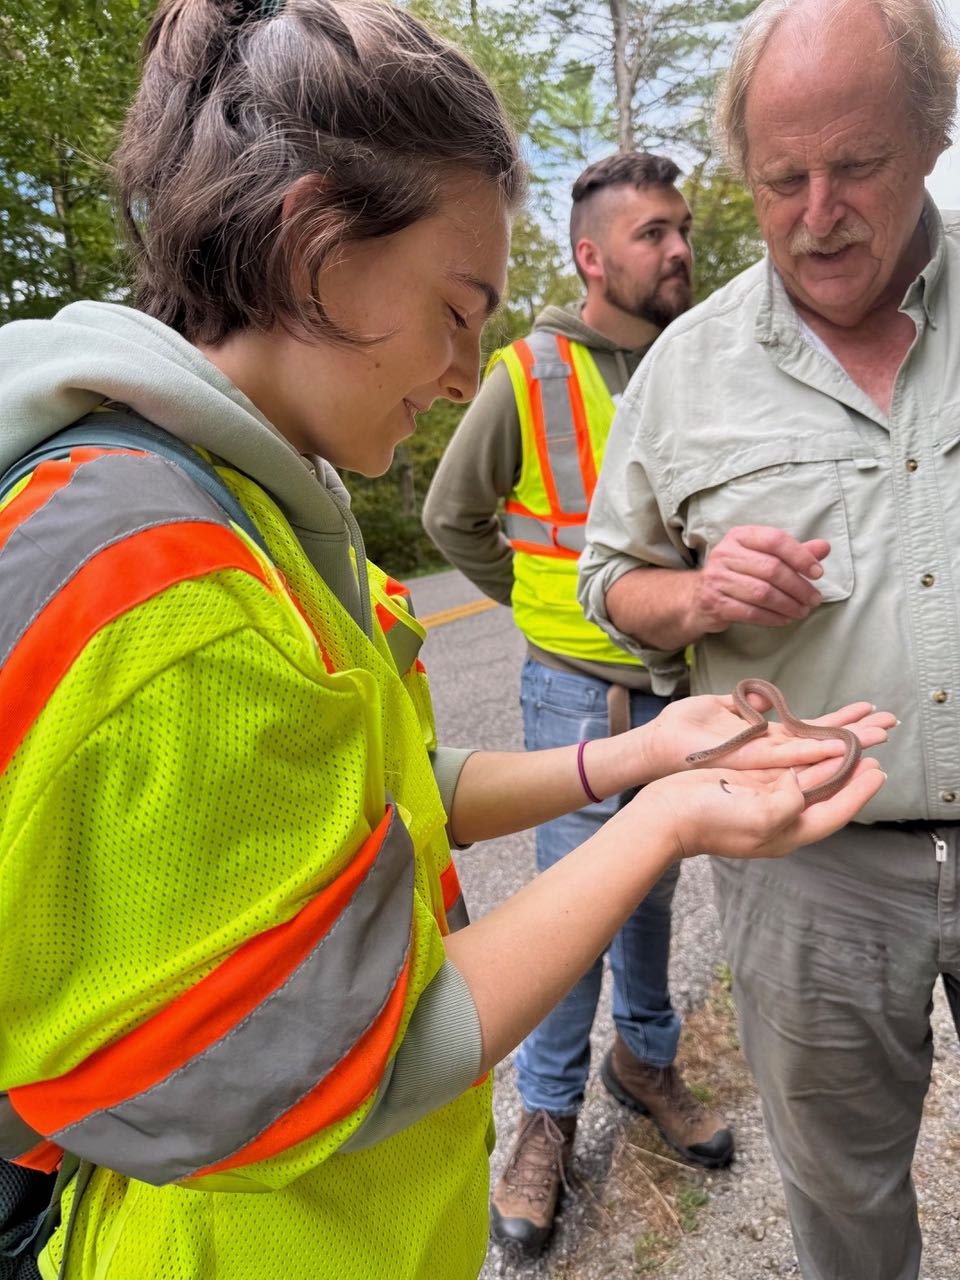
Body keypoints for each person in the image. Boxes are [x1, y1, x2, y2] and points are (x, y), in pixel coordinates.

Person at [0, 2, 890, 1279]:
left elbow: (387, 791)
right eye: (457, 307)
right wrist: (675, 817)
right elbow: (358, 1049)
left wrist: (640, 762)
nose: (466, 368)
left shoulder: (253, 506)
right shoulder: (177, 592)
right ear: (316, 246)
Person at [578, 1, 959, 1277]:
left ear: (933, 136)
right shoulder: (686, 366)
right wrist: (697, 598)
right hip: (810, 868)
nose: (817, 211)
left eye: (856, 167)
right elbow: (609, 580)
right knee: (843, 1195)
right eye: (781, 178)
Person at [422, 152, 726, 1254]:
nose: (680, 248)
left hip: (678, 694)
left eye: (682, 227)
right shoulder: (527, 372)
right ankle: (545, 1115)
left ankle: (646, 1059)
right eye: (653, 233)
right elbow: (453, 518)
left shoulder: (704, 364)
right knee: (575, 907)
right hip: (577, 699)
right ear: (591, 257)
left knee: (651, 888)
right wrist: (545, 616)